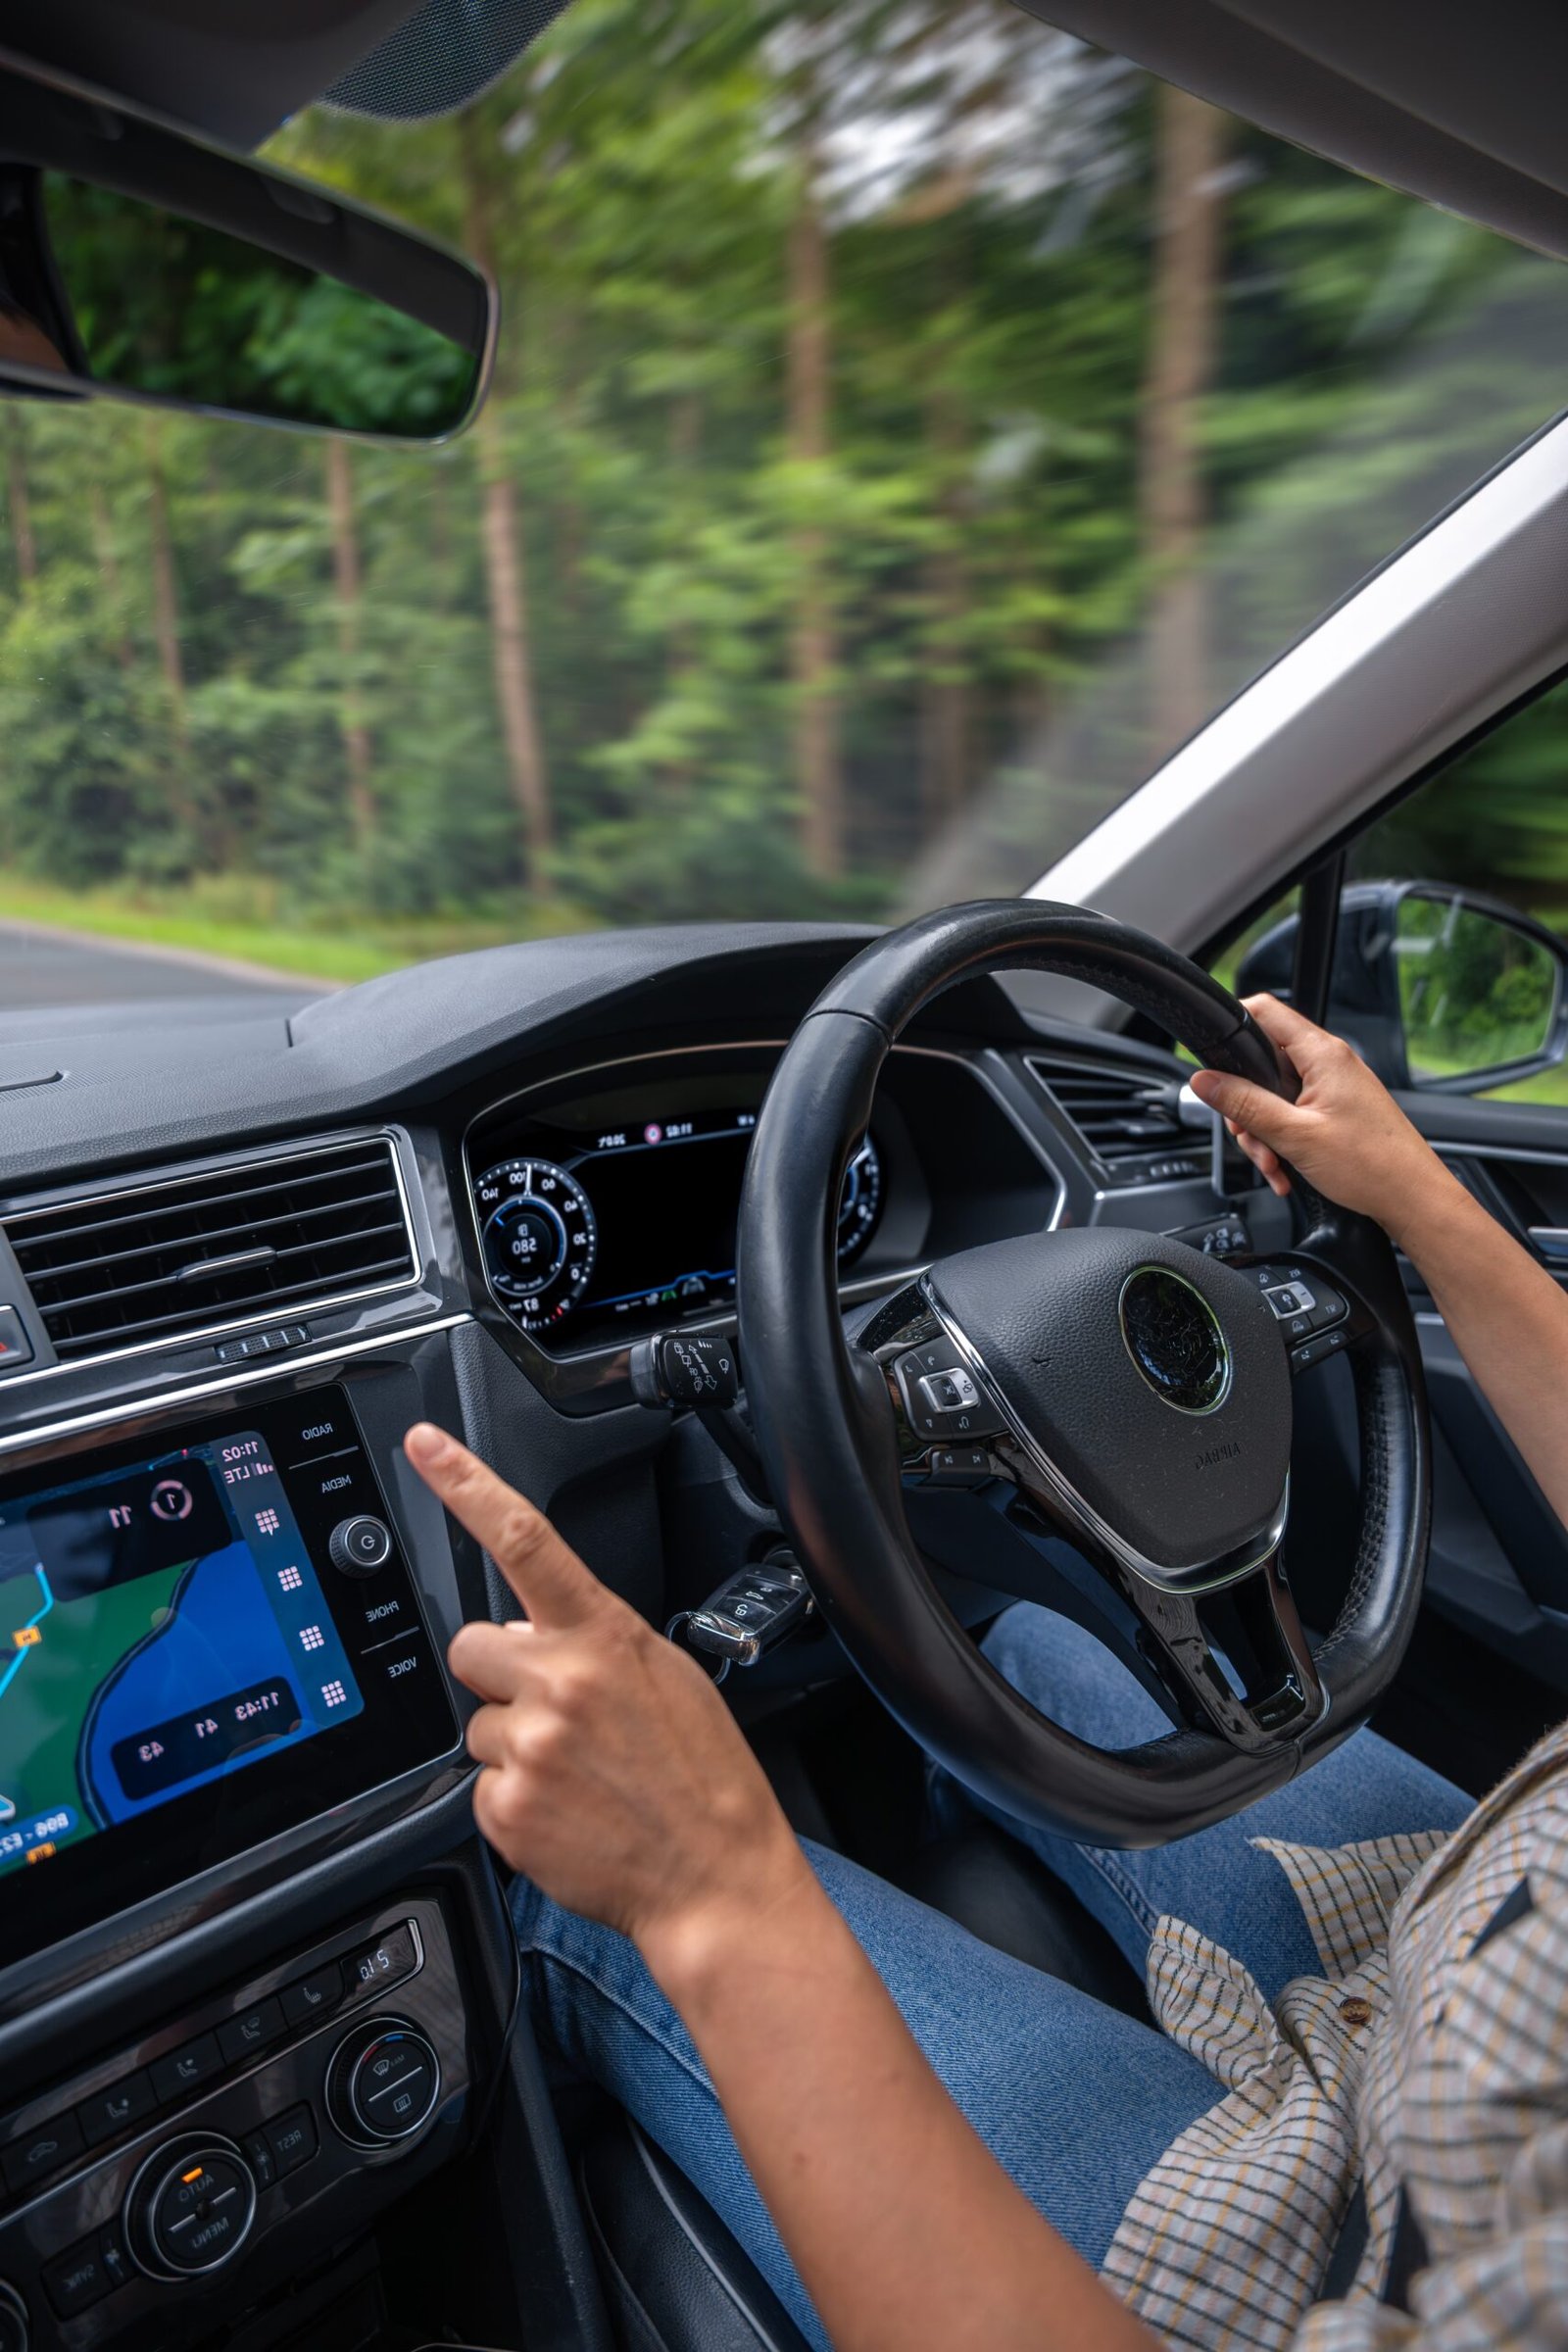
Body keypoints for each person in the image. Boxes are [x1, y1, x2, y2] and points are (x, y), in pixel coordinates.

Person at [403, 992, 1568, 2351]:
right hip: (1485, 1948)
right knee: (1026, 1649)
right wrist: (1419, 1200)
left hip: (1334, 2266)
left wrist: (711, 1885)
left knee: (557, 1892)